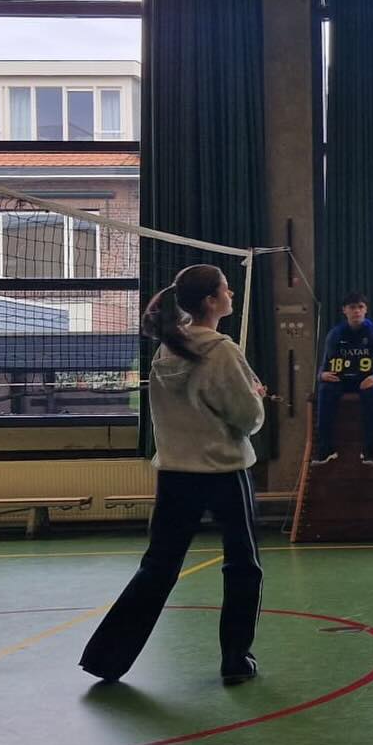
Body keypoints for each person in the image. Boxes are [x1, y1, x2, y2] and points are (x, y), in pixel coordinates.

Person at [79, 265, 265, 685]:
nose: (231, 293)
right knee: (243, 566)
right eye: (224, 288)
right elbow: (249, 419)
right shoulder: (221, 351)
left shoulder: (167, 351)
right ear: (210, 302)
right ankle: (235, 660)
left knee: (158, 566)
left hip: (176, 474)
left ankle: (106, 659)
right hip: (223, 471)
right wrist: (255, 396)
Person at [312, 293, 373, 467]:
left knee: (372, 396)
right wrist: (322, 375)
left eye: (360, 307)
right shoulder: (335, 334)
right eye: (352, 307)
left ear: (366, 310)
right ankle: (326, 449)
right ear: (344, 310)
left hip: (368, 379)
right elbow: (324, 366)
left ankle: (369, 451)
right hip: (344, 378)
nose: (356, 311)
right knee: (325, 389)